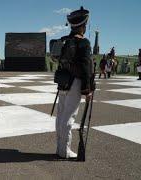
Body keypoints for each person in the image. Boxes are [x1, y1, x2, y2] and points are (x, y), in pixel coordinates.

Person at [55, 7, 94, 159]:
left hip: (63, 82)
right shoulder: (83, 42)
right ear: (83, 25)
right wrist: (87, 89)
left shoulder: (64, 40)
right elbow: (86, 67)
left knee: (61, 116)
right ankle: (65, 151)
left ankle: (60, 148)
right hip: (76, 83)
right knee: (69, 118)